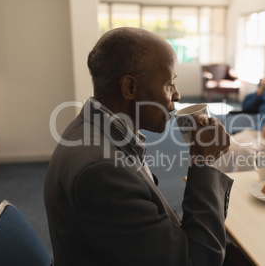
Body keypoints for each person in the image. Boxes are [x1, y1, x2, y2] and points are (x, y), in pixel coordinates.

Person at [44, 27, 240, 265]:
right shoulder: (101, 171)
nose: (177, 95)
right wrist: (205, 162)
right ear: (130, 88)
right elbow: (198, 261)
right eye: (169, 84)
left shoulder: (91, 127)